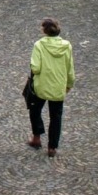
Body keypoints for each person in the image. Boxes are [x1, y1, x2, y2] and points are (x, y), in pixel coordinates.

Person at [27, 18, 75, 158]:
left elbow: (35, 68)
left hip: (41, 85)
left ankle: (36, 138)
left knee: (35, 110)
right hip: (58, 86)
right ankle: (52, 147)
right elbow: (69, 68)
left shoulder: (39, 45)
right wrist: (69, 84)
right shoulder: (67, 46)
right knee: (56, 116)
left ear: (44, 30)